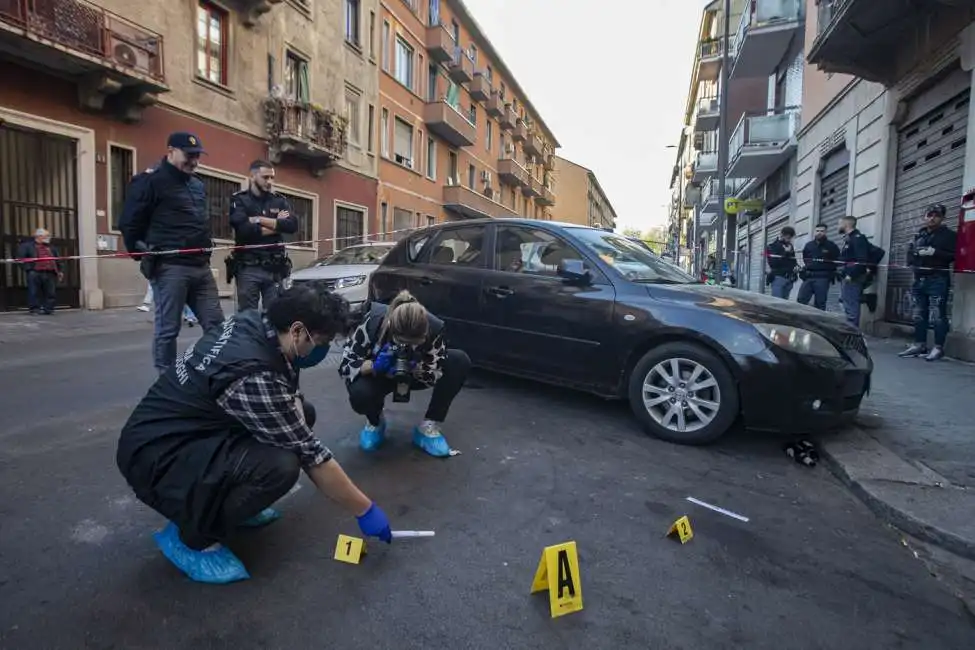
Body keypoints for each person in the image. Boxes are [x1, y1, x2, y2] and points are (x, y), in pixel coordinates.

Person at [116, 282, 392, 584]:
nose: (322, 349)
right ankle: (191, 535)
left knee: (303, 414)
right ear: (298, 330)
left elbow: (288, 399)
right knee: (280, 467)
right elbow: (312, 457)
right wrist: (365, 510)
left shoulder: (254, 324)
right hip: (156, 458)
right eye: (322, 341)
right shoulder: (252, 372)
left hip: (183, 432)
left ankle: (223, 502)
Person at [118, 132, 225, 374]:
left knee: (217, 326)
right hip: (169, 267)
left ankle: (218, 372)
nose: (194, 161)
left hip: (200, 266)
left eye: (197, 156)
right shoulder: (149, 181)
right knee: (168, 330)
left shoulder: (197, 184)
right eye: (189, 156)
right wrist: (143, 255)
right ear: (171, 151)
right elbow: (129, 223)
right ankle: (166, 380)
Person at [339, 290, 471, 457]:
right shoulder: (372, 322)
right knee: (360, 394)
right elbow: (345, 365)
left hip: (413, 375)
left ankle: (428, 426)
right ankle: (375, 421)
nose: (407, 347)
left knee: (459, 360)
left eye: (414, 343)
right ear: (391, 329)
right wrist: (373, 365)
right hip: (378, 375)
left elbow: (433, 373)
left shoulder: (435, 328)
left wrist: (417, 366)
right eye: (402, 342)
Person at [228, 160, 298, 311]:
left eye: (272, 178)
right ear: (252, 176)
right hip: (249, 267)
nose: (270, 182)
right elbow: (244, 230)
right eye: (265, 177)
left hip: (275, 268)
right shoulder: (240, 200)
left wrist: (259, 220)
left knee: (276, 315)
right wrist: (277, 224)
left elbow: (292, 226)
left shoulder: (279, 200)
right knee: (248, 317)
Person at [898, 203, 958, 361]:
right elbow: (910, 254)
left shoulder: (949, 235)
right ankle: (919, 344)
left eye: (936, 215)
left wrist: (935, 252)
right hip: (919, 279)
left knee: (939, 314)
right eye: (929, 215)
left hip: (938, 278)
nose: (932, 218)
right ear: (924, 217)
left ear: (943, 218)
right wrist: (912, 261)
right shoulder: (920, 235)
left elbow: (955, 256)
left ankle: (938, 348)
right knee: (918, 313)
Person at [16, 228, 63, 315]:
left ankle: (49, 309)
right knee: (34, 291)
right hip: (35, 272)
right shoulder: (27, 246)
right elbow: (20, 259)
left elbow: (57, 259)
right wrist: (29, 269)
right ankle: (34, 309)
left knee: (50, 292)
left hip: (50, 272)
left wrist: (59, 271)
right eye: (46, 236)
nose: (48, 238)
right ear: (39, 236)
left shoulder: (51, 247)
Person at [797, 223, 841, 310]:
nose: (819, 233)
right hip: (809, 276)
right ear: (814, 232)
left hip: (823, 278)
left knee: (820, 303)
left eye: (822, 231)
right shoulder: (809, 245)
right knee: (801, 301)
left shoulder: (831, 246)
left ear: (826, 232)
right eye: (817, 231)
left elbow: (837, 260)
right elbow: (805, 258)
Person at [837, 215, 871, 328]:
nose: (838, 226)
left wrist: (850, 275)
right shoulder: (850, 238)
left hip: (852, 278)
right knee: (846, 304)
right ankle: (850, 332)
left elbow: (861, 260)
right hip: (848, 277)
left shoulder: (857, 238)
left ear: (846, 224)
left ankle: (853, 336)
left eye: (840, 223)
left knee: (851, 307)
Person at [765, 226, 798, 299]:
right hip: (778, 278)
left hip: (789, 278)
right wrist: (786, 252)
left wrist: (795, 268)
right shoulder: (772, 246)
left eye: (790, 238)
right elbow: (773, 263)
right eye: (787, 237)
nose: (788, 240)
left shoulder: (789, 246)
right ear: (782, 235)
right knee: (777, 303)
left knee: (785, 304)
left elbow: (793, 261)